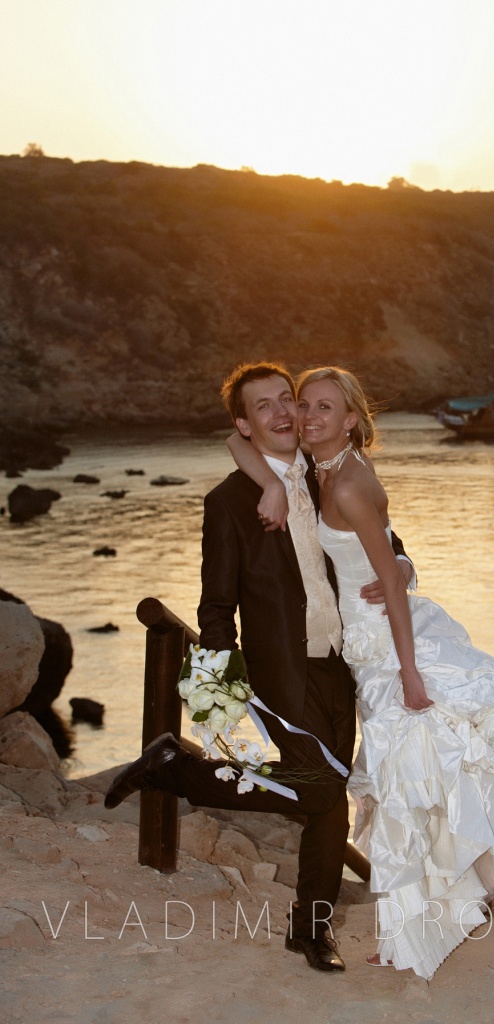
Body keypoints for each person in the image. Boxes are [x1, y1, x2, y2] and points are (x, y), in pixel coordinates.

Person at [229, 365, 494, 980]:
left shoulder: (349, 484)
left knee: (405, 787)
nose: (308, 416)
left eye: (324, 407)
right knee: (409, 783)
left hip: (383, 647)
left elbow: (393, 590)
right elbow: (236, 439)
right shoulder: (316, 467)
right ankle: (407, 929)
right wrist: (267, 480)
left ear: (351, 419)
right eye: (304, 404)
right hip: (361, 649)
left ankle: (405, 937)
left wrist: (408, 672)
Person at [104, 361, 414, 974]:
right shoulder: (227, 502)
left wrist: (401, 565)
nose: (281, 413)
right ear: (245, 426)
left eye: (286, 399)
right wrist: (221, 690)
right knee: (322, 788)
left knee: (328, 804)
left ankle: (311, 931)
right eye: (263, 406)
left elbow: (377, 533)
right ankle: (177, 770)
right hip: (279, 671)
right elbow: (216, 606)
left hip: (342, 662)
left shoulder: (323, 473)